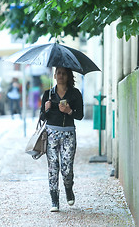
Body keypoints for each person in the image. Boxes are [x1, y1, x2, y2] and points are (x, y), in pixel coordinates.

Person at [40, 67, 84, 212]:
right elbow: (42, 117)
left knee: (67, 168)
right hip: (51, 134)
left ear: (68, 76)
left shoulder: (75, 94)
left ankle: (68, 188)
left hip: (68, 134)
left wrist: (69, 111)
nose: (60, 76)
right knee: (53, 167)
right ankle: (54, 199)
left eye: (64, 73)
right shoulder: (48, 94)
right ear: (54, 75)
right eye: (58, 73)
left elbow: (80, 115)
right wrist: (45, 109)